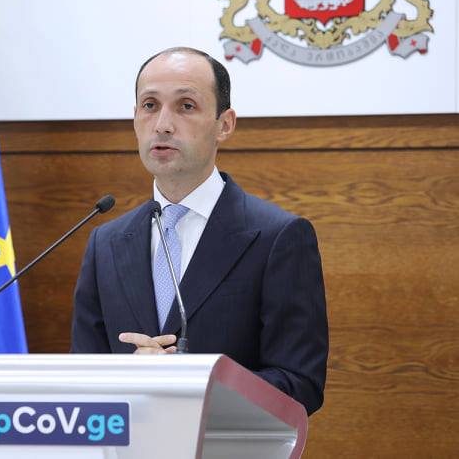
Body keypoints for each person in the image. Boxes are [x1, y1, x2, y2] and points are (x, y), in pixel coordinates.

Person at [70, 47, 328, 415]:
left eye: (186, 106)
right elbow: (83, 376)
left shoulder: (278, 237)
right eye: (149, 105)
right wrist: (130, 377)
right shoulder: (106, 243)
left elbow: (300, 385)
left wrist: (188, 382)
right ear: (135, 119)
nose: (162, 124)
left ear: (225, 125)